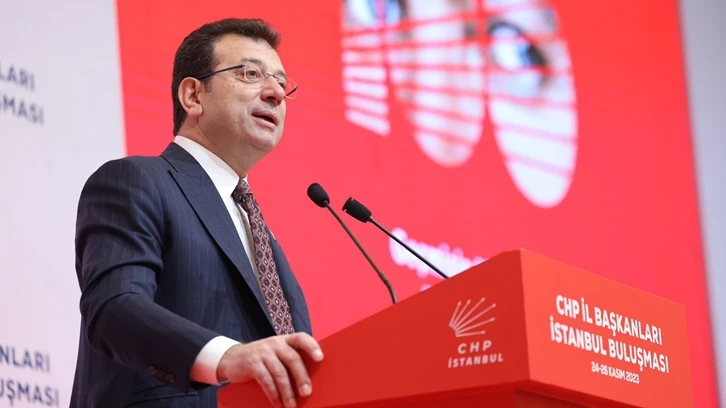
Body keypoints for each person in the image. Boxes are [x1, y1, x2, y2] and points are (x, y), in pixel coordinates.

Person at [70, 18, 322, 408]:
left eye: (281, 82)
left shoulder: (263, 238)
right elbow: (114, 308)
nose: (275, 92)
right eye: (250, 74)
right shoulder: (137, 181)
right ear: (193, 96)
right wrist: (226, 357)